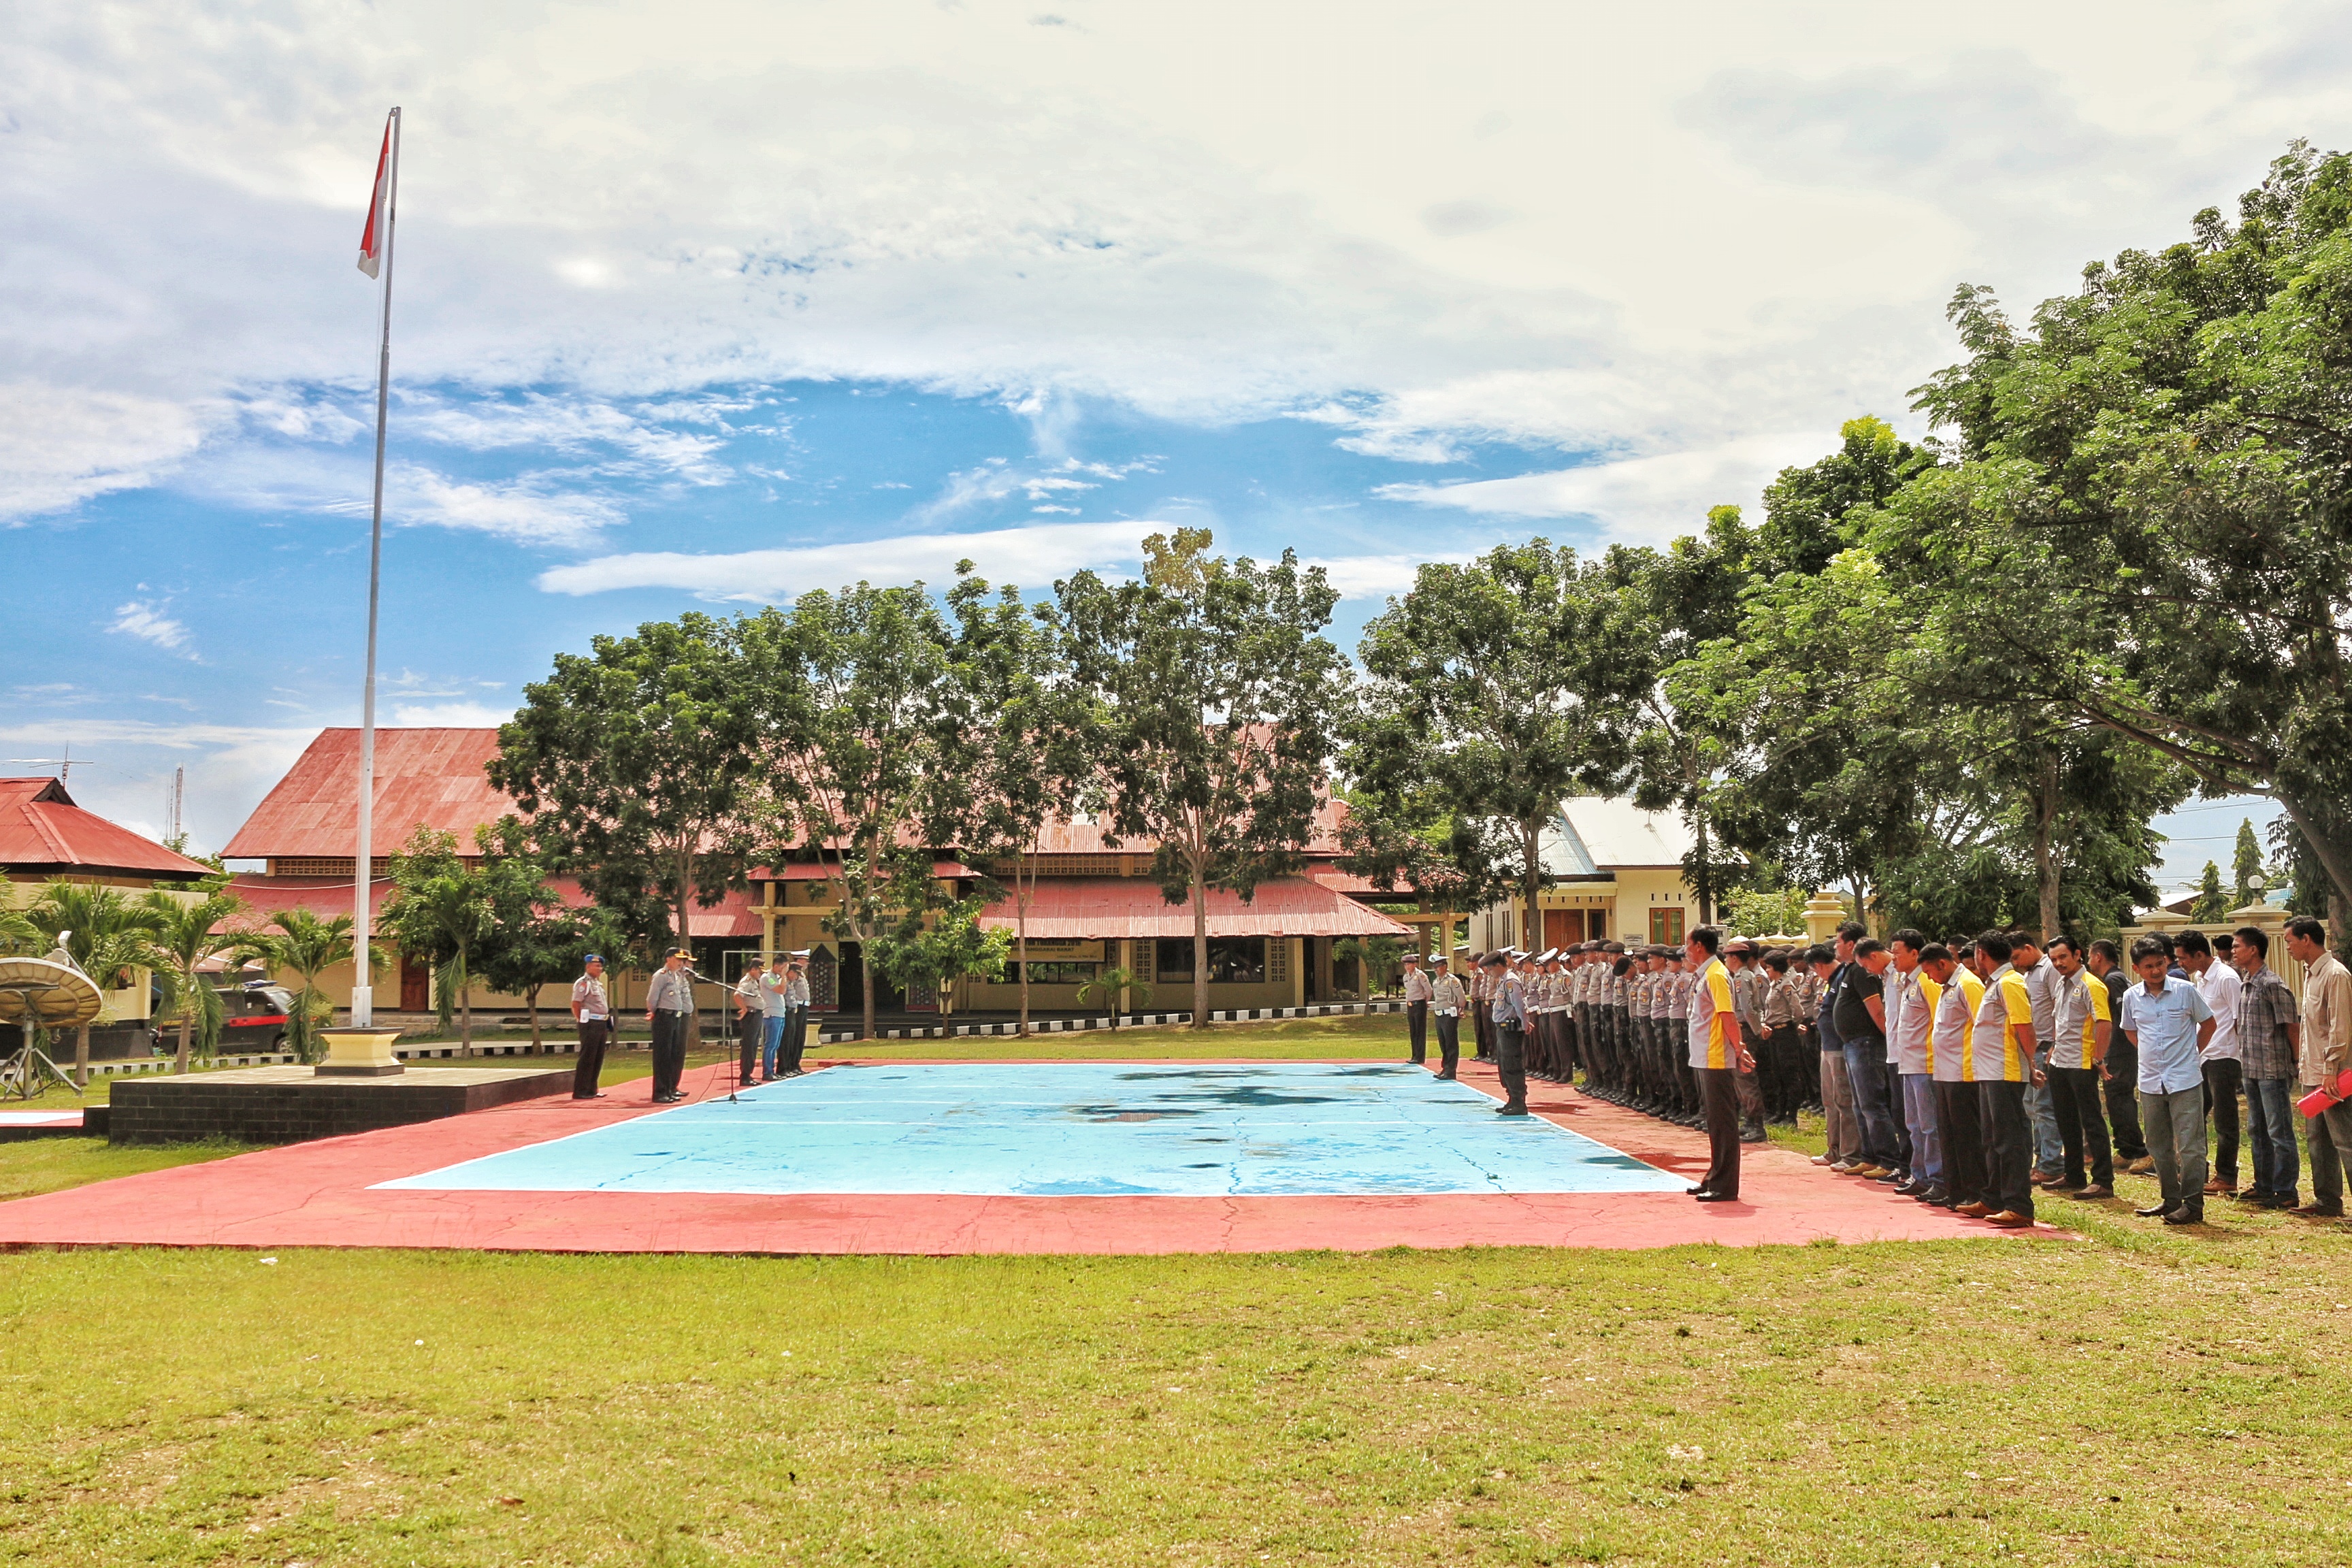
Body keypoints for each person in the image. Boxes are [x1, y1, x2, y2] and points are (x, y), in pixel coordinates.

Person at [2118, 932, 2217, 1225]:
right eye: (2148, 966)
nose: (2156, 970)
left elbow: (2209, 1024)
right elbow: (2130, 1030)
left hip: (2185, 1079)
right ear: (2137, 969)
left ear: (2166, 962)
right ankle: (2170, 1199)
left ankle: (2192, 1204)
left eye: (2160, 963)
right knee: (2158, 1146)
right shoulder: (2131, 997)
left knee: (2190, 1145)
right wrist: (2148, 1053)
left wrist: (2192, 1051)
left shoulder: (2186, 991)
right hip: (2150, 1082)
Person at [1969, 930, 2040, 1228]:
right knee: (1992, 1138)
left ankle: (2018, 1204)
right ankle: (1993, 1197)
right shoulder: (1996, 983)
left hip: (2005, 1071)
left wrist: (2031, 1063)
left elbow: (2024, 1026)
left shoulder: (2010, 982)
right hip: (1989, 1071)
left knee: (2009, 1139)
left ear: (1981, 954)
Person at [2287, 917, 2352, 1218]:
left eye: (2289, 940)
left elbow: (2340, 1028)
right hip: (2314, 1073)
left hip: (2332, 1075)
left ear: (2306, 940)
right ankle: (2327, 1202)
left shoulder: (2336, 975)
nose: (2287, 946)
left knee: (2346, 1141)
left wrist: (2330, 1070)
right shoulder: (2311, 973)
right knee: (2318, 1141)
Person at [2232, 926, 2300, 1210]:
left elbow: (2291, 1026)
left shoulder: (2272, 984)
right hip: (2252, 1068)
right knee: (2257, 1130)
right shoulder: (2247, 982)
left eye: (2237, 946)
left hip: (2273, 1068)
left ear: (2253, 950)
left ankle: (2285, 1190)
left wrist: (2296, 1062)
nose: (2233, 951)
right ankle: (2264, 1185)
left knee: (2279, 1132)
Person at [2172, 930, 2242, 1198]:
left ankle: (2226, 1175)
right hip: (2203, 1056)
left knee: (2225, 1119)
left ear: (2200, 955)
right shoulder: (2200, 979)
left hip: (2224, 1055)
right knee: (2194, 1115)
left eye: (2183, 958)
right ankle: (2196, 1170)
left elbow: (2238, 1018)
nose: (2180, 964)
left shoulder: (2226, 978)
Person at [2044, 936, 2115, 1199]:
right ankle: (2074, 1174)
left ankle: (2103, 1180)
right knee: (2066, 1122)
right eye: (2053, 960)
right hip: (2060, 1062)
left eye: (2063, 957)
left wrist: (2098, 1058)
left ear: (2077, 954)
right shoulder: (2062, 985)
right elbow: (2061, 1021)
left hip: (2082, 1063)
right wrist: (2053, 1048)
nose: (2058, 963)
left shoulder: (2091, 985)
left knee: (2092, 1121)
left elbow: (2104, 1023)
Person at [1685, 925, 1749, 1202]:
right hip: (1704, 1056)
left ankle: (1725, 1185)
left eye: (1688, 945)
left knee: (1723, 1122)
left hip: (1716, 1057)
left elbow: (1727, 1014)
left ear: (1699, 946)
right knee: (1714, 1121)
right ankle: (1714, 1175)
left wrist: (1740, 1049)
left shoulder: (1716, 975)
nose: (1686, 951)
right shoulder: (1706, 975)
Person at [1922, 942, 1984, 1214]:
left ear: (1943, 964)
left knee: (1967, 1136)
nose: (1929, 979)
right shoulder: (1947, 988)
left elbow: (1982, 1025)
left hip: (1964, 1073)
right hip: (1944, 1072)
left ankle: (1974, 1191)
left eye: (1930, 972)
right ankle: (1954, 1189)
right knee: (1948, 1135)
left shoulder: (1968, 984)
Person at [1883, 929, 1943, 1203]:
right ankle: (1918, 1176)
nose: (1892, 957)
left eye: (1897, 952)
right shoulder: (1906, 982)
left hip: (1925, 1063)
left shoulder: (1928, 982)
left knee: (1929, 1126)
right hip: (1907, 1063)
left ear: (1914, 954)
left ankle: (1936, 1178)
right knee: (1914, 1125)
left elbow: (1939, 1021)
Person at [1839, 937, 1903, 1181]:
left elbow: (1878, 1011)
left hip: (1868, 1044)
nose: (1866, 971)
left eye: (1866, 965)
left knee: (1873, 1104)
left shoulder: (1892, 974)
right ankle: (1870, 1155)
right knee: (1860, 1105)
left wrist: (1890, 1040)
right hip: (1855, 1043)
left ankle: (1888, 1159)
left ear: (1873, 957)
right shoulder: (1881, 974)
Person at [2087, 938, 2151, 1173]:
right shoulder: (2117, 978)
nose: (2088, 961)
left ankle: (2137, 1150)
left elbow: (2123, 1016)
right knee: (2115, 1098)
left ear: (2098, 957)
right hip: (2120, 1049)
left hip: (2121, 1050)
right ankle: (2125, 1149)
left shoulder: (2113, 980)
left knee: (2119, 1096)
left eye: (2089, 955)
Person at [2008, 932, 2066, 1189]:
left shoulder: (2048, 970)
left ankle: (2051, 1163)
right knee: (2032, 1108)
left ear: (2029, 948)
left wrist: (2055, 1043)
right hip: (2032, 1050)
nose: (2016, 962)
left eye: (2017, 956)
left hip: (2045, 1047)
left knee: (2044, 1108)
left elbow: (2058, 1006)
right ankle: (2042, 1160)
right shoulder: (2029, 973)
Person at [1811, 944, 1860, 1171]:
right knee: (1830, 1100)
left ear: (1818, 966)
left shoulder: (1843, 975)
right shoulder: (1832, 979)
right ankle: (1834, 1150)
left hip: (1839, 1047)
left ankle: (1850, 1153)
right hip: (1828, 1045)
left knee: (1844, 1101)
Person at [644, 947, 696, 1103]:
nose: (681, 963)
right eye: (678, 959)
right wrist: (653, 1012)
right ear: (669, 959)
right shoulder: (661, 976)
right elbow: (652, 998)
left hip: (675, 1017)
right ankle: (660, 1092)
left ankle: (668, 1089)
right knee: (662, 1056)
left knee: (672, 1055)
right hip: (664, 1017)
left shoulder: (676, 976)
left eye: (682, 960)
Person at [1482, 951, 1530, 1115]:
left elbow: (1519, 1005)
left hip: (1511, 1029)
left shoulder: (1511, 981)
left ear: (1498, 966)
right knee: (1504, 1065)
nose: (1489, 972)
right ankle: (1511, 1098)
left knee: (1512, 1065)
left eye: (1490, 968)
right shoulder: (1503, 981)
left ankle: (1519, 1102)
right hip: (1502, 1028)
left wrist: (1525, 1024)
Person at [568, 952, 611, 1100]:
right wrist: (581, 1020)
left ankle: (592, 1088)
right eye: (597, 966)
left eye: (601, 966)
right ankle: (581, 1090)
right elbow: (576, 1003)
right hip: (590, 1023)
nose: (600, 969)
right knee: (588, 1057)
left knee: (597, 1057)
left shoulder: (597, 984)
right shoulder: (583, 983)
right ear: (588, 967)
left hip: (601, 1023)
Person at [733, 955, 768, 1088]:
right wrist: (744, 1009)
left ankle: (749, 1074)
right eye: (759, 971)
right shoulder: (747, 981)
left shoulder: (754, 982)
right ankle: (745, 1075)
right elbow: (737, 995)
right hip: (751, 1015)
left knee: (753, 1046)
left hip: (757, 1015)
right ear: (753, 969)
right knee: (748, 1047)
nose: (761, 974)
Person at [1429, 958, 1466, 1080]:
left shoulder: (1452, 981)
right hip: (1439, 1014)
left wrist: (1460, 1009)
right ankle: (1445, 1067)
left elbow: (1461, 998)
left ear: (1445, 966)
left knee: (1451, 1043)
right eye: (1434, 967)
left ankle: (1451, 1070)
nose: (1436, 969)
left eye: (1438, 966)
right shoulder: (1436, 982)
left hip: (1450, 1014)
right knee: (1443, 1043)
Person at [780, 953, 813, 1076]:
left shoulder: (801, 975)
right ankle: (790, 1065)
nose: (806, 964)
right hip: (796, 1007)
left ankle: (795, 1064)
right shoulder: (792, 976)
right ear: (799, 960)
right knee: (793, 1037)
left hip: (803, 1006)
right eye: (804, 961)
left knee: (800, 1037)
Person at [1402, 951, 1433, 1066]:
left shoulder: (1420, 975)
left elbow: (1428, 990)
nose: (1407, 967)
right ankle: (1414, 1054)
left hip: (1419, 1004)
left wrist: (1425, 1001)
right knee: (1413, 1031)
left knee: (1420, 1031)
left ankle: (1420, 1056)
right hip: (1410, 1005)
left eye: (1409, 964)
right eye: (1405, 965)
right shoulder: (1406, 976)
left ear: (1415, 964)